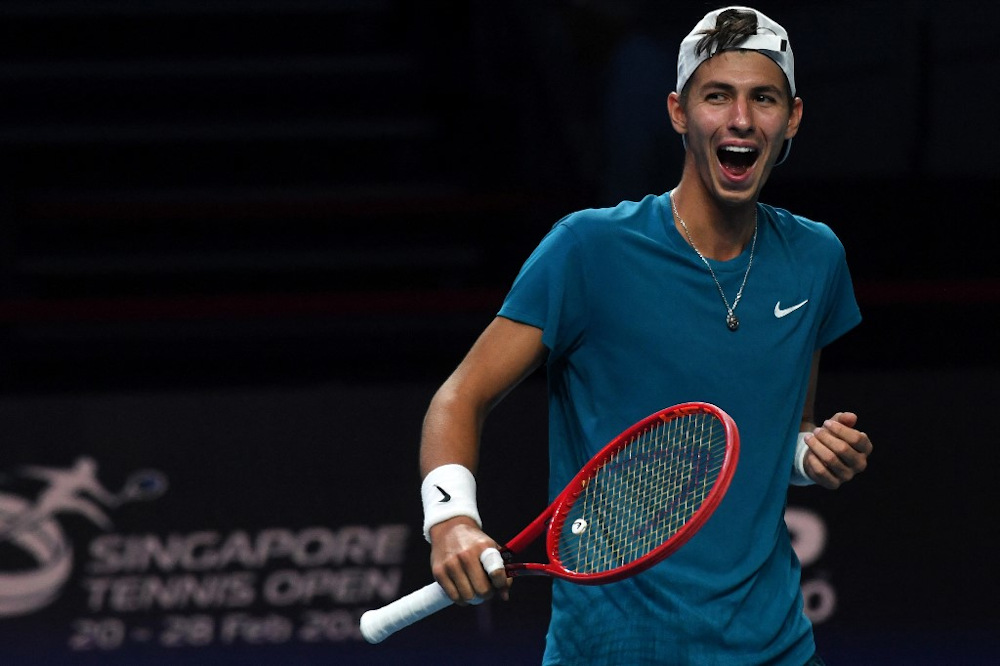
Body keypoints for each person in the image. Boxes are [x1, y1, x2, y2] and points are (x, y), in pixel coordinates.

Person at [417, 6, 873, 664]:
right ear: (678, 113)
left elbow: (781, 429)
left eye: (763, 98)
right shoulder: (587, 249)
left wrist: (811, 455)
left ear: (792, 118)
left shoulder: (816, 258)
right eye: (716, 96)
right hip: (612, 648)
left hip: (774, 646)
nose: (741, 119)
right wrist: (451, 519)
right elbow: (461, 396)